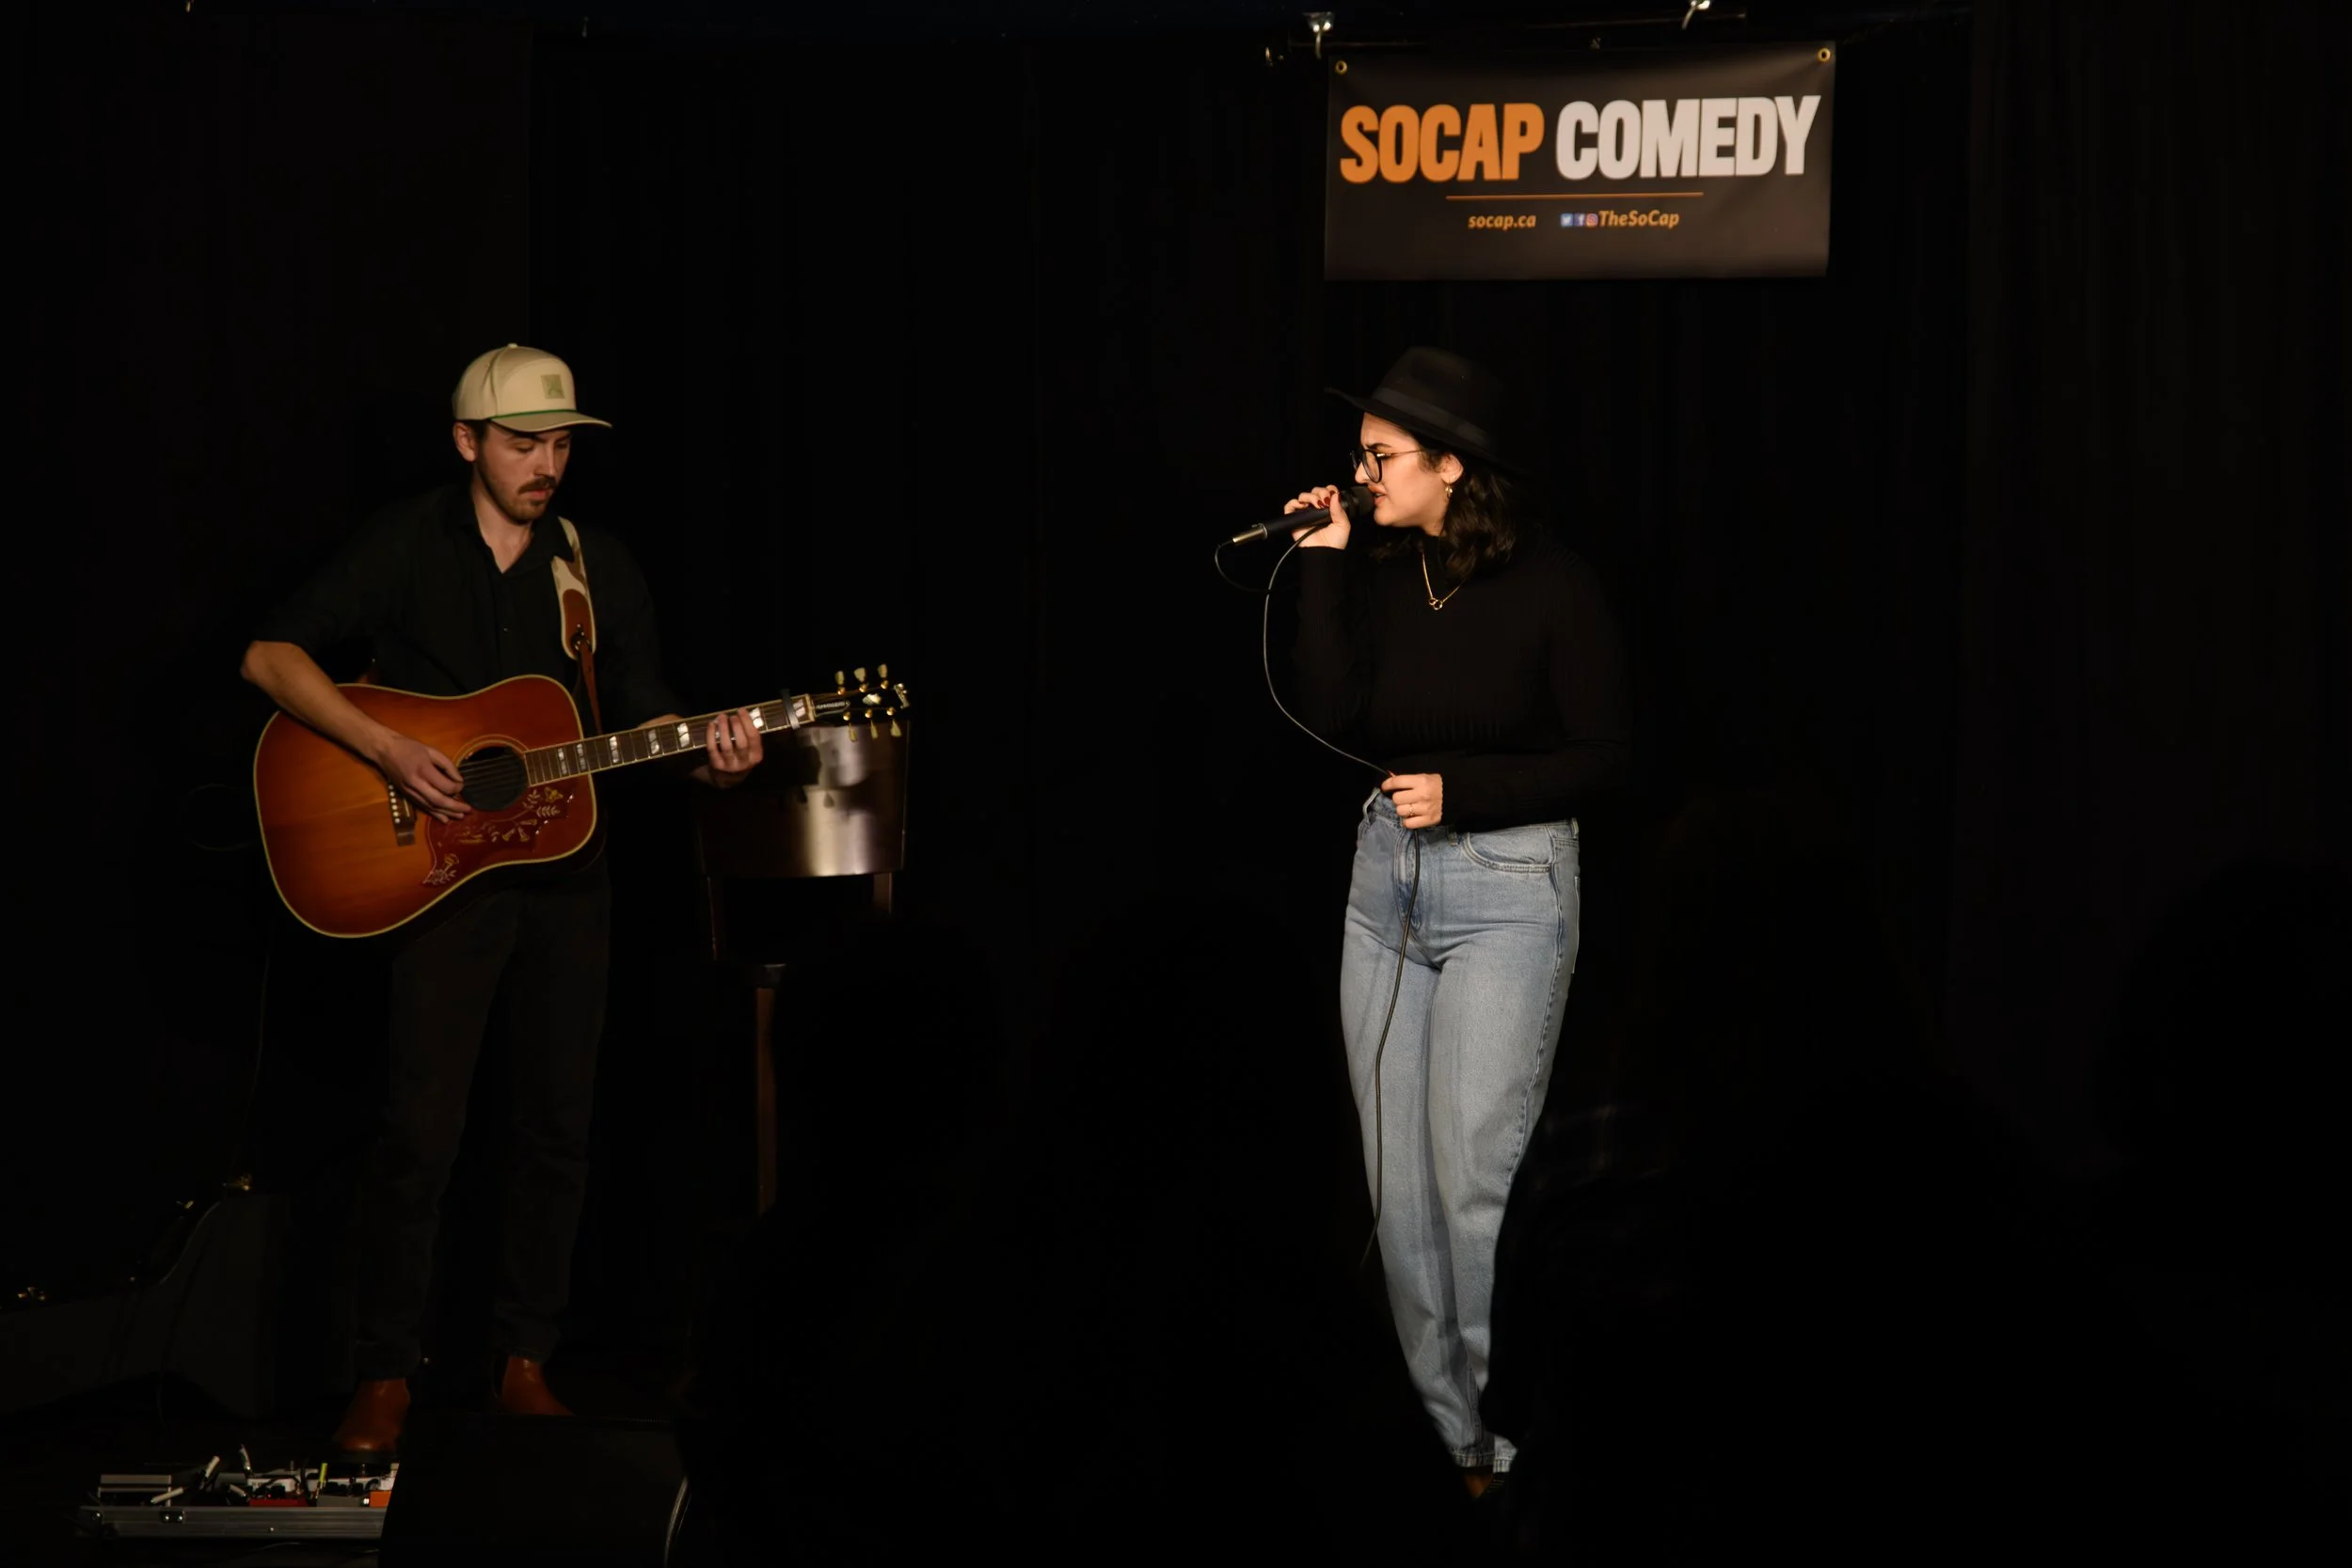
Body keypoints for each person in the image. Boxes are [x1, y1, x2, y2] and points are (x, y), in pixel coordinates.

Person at [240, 344, 766, 1455]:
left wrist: (710, 759)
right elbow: (269, 656)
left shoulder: (592, 565)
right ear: (467, 441)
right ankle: (385, 1371)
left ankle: (524, 1358)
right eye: (524, 442)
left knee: (556, 1127)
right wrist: (385, 746)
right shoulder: (407, 542)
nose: (547, 464)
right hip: (438, 879)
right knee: (419, 1133)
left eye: (562, 442)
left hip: (568, 880)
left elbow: (641, 704)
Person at [1282, 346, 1629, 1497]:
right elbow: (1331, 709)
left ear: (1451, 465)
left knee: (1473, 1178)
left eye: (1381, 456)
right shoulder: (1385, 574)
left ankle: (1516, 1446)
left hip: (1505, 888)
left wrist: (1466, 792)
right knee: (1398, 1187)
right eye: (1361, 455)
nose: (1362, 474)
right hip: (1385, 881)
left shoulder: (1555, 587)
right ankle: (1449, 1447)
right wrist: (1324, 562)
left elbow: (1605, 752)